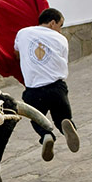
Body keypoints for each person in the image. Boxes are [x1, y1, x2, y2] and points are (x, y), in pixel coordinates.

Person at [14, 8, 80, 162]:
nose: (60, 29)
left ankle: (46, 136)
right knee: (61, 116)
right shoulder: (61, 39)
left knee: (38, 119)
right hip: (56, 88)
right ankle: (67, 127)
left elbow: (16, 54)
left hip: (33, 91)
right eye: (60, 25)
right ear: (52, 23)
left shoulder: (23, 33)